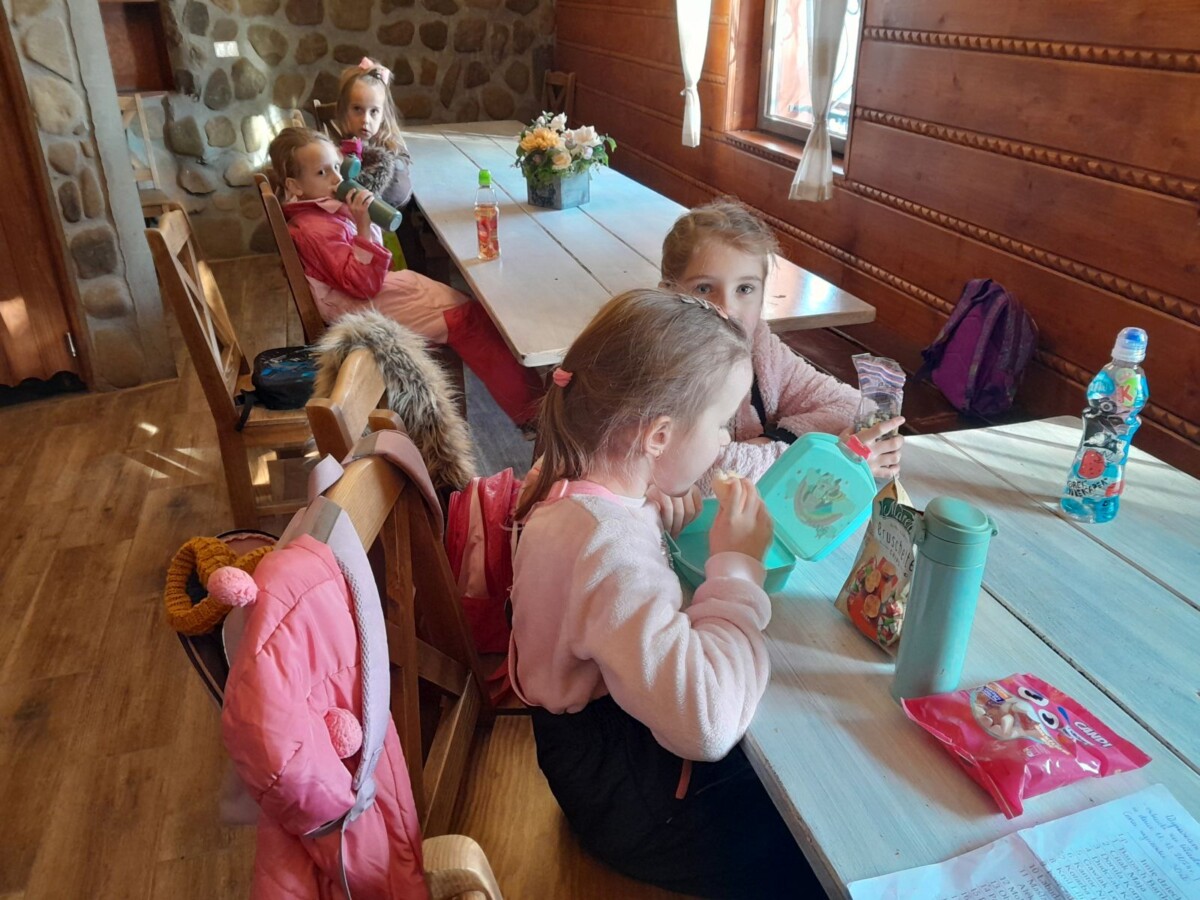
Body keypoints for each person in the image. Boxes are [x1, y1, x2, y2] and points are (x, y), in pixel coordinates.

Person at [508, 289, 819, 898]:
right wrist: (736, 569)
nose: (726, 441)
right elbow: (706, 722)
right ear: (657, 436)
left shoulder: (573, 481)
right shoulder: (608, 546)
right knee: (813, 837)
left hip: (599, 754)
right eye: (722, 422)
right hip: (634, 800)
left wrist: (649, 510)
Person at [268, 126, 542, 426]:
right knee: (468, 321)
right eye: (322, 173)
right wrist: (362, 225)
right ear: (294, 186)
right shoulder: (314, 228)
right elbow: (361, 283)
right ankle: (535, 416)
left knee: (471, 311)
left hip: (364, 296)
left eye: (336, 166)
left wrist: (359, 218)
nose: (336, 178)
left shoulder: (323, 213)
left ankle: (532, 403)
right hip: (358, 309)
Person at [661, 198, 904, 492]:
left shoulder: (761, 350)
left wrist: (776, 440)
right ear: (668, 294)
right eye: (704, 288)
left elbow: (850, 406)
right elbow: (704, 477)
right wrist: (827, 459)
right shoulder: (661, 365)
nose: (727, 308)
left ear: (763, 293)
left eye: (745, 288)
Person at [331, 57, 424, 272]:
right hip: (356, 235)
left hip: (396, 228)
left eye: (374, 111)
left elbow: (400, 192)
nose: (366, 120)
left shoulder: (391, 149)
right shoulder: (336, 151)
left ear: (383, 115)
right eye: (357, 109)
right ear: (344, 110)